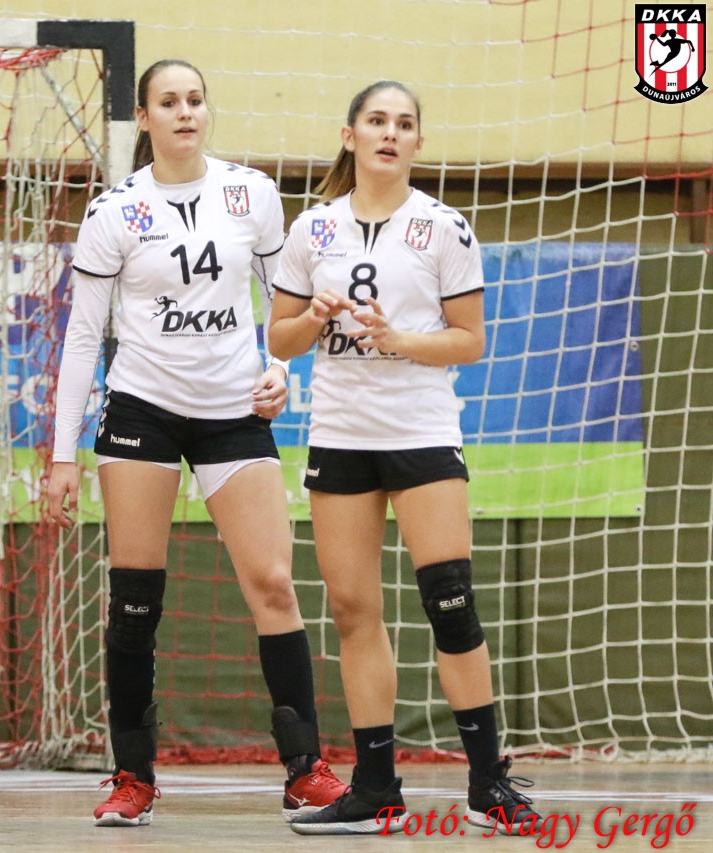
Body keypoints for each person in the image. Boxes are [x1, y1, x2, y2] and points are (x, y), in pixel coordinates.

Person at [45, 59, 346, 827]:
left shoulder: (252, 194)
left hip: (232, 408)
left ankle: (305, 769)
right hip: (142, 409)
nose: (186, 112)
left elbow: (283, 308)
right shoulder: (115, 210)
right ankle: (133, 777)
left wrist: (280, 370)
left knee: (273, 582)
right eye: (169, 102)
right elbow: (82, 336)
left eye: (196, 100)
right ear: (144, 118)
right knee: (135, 598)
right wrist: (61, 455)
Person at [267, 81, 538, 835]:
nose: (390, 132)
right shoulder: (312, 228)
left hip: (421, 431)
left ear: (418, 142)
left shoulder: (443, 227)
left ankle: (487, 784)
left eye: (404, 123)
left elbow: (470, 341)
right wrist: (313, 316)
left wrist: (400, 340)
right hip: (341, 433)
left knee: (450, 601)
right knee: (354, 611)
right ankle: (376, 787)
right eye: (377, 120)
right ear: (350, 135)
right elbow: (280, 338)